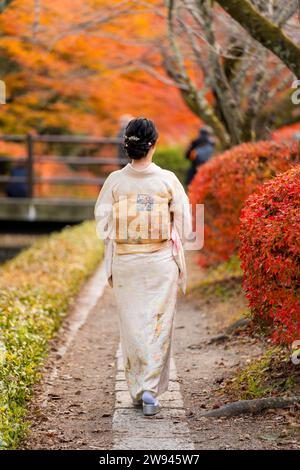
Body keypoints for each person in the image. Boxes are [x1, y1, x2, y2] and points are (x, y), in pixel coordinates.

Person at [94, 117, 192, 416]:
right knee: (158, 325)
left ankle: (139, 388)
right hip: (160, 260)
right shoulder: (167, 180)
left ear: (128, 146)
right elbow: (185, 224)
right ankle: (149, 390)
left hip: (127, 260)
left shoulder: (115, 181)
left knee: (133, 326)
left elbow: (102, 221)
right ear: (154, 144)